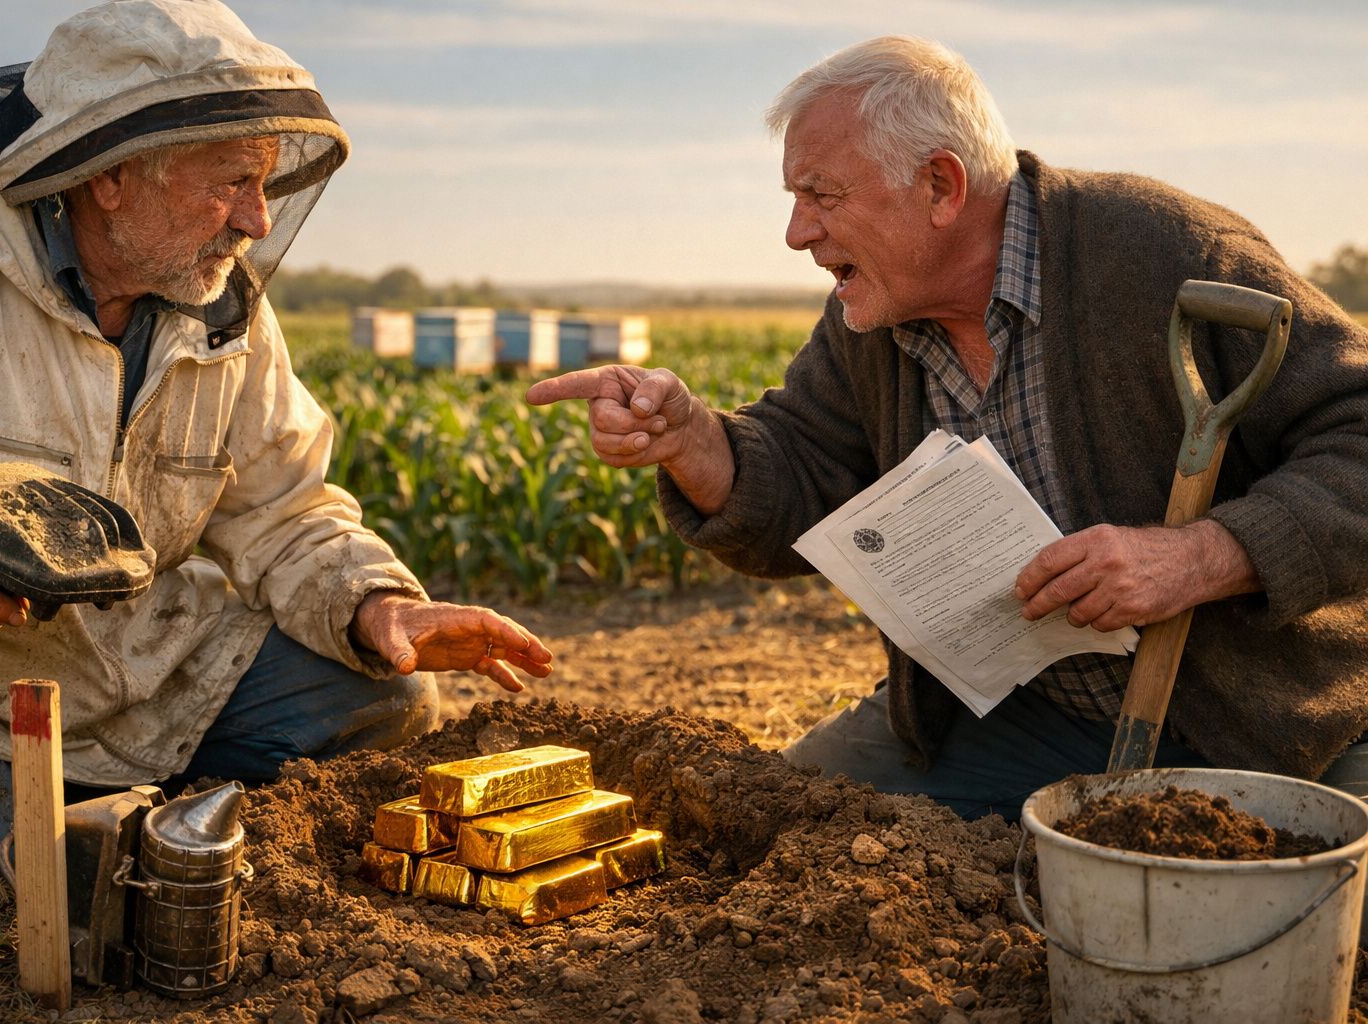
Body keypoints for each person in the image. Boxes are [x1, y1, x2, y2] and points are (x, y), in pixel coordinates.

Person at [528, 36, 1368, 819]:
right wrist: (694, 442)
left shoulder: (1168, 253)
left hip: (1264, 723)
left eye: (820, 196)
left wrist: (1198, 558)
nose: (796, 233)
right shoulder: (871, 321)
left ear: (941, 185)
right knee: (772, 823)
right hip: (1016, 718)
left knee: (1283, 932)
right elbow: (800, 479)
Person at [0, 0, 553, 879]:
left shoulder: (220, 299)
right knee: (48, 886)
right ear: (111, 175)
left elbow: (284, 507)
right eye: (230, 182)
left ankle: (143, 830)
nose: (255, 219)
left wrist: (374, 606)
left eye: (264, 183)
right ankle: (105, 840)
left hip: (141, 668)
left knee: (388, 698)